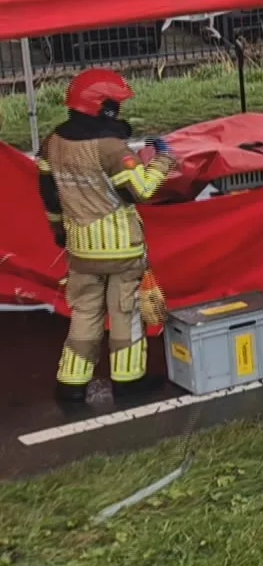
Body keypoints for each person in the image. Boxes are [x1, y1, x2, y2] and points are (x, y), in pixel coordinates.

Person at [37, 69, 177, 404]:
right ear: (104, 106)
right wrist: (163, 161)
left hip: (80, 249)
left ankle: (71, 383)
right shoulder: (112, 148)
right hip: (121, 250)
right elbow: (140, 190)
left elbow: (49, 194)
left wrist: (59, 231)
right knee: (124, 313)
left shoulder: (53, 142)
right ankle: (128, 381)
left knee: (85, 315)